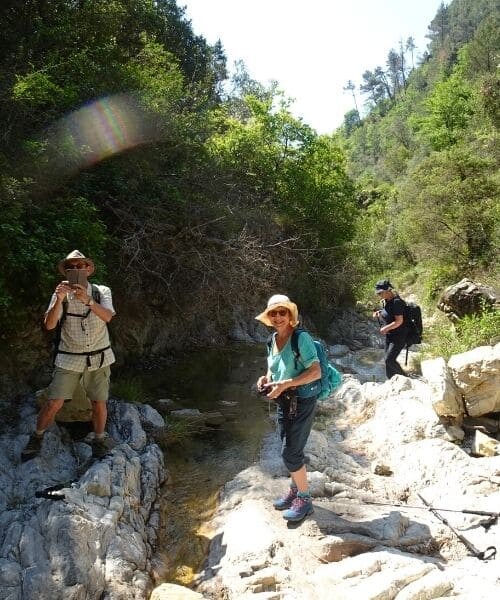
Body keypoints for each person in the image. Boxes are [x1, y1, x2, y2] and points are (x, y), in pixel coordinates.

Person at [21, 250, 116, 461]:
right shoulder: (60, 294)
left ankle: (99, 439)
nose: (76, 270)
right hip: (69, 356)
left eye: (80, 266)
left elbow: (108, 316)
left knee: (99, 402)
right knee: (54, 401)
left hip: (99, 356)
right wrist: (59, 299)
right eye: (71, 267)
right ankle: (37, 436)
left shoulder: (102, 291)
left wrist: (88, 300)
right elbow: (50, 325)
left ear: (88, 270)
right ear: (66, 271)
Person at [255, 294, 321, 522]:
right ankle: (295, 491)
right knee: (290, 447)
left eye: (282, 312)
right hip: (283, 401)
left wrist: (288, 383)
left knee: (290, 452)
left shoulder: (301, 338)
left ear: (291, 315)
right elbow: (272, 369)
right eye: (273, 313)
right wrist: (264, 380)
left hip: (302, 400)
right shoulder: (272, 340)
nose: (277, 317)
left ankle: (305, 499)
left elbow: (316, 371)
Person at [372, 279, 408, 379]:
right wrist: (379, 313)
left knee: (389, 360)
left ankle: (406, 379)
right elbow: (388, 313)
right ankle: (392, 381)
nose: (379, 295)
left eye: (381, 293)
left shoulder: (397, 302)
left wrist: (385, 328)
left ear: (388, 290)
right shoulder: (386, 301)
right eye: (378, 293)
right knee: (387, 361)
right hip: (390, 335)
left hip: (399, 336)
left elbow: (399, 321)